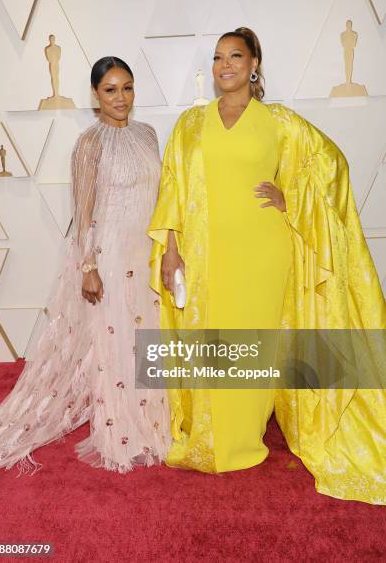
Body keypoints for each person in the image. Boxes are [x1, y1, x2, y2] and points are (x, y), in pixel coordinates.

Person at [148, 27, 386, 504]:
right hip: (205, 250)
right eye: (217, 58)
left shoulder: (278, 121)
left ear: (254, 63)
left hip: (262, 250)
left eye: (235, 55)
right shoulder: (191, 124)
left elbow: (331, 166)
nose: (225, 65)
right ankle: (211, 438)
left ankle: (241, 441)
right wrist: (171, 246)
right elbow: (172, 185)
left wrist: (291, 196)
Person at [0, 57, 170, 477]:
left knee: (146, 339)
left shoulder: (149, 135)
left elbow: (158, 200)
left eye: (128, 88)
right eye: (111, 90)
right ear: (95, 95)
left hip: (145, 254)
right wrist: (88, 265)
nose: (121, 98)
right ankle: (123, 428)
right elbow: (82, 212)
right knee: (115, 344)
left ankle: (154, 422)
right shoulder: (89, 144)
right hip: (111, 256)